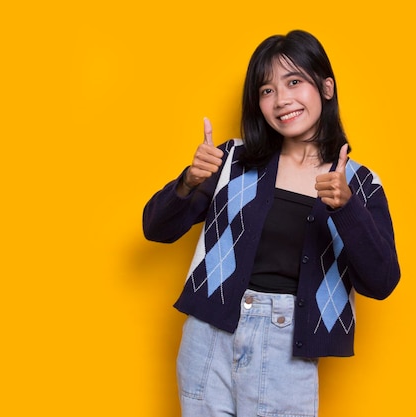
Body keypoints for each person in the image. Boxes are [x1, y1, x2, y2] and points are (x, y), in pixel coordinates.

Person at [143, 29, 400, 417]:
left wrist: (347, 209)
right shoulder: (232, 160)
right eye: (266, 90)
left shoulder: (358, 183)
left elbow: (382, 281)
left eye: (294, 82)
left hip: (288, 350)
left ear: (326, 87)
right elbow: (156, 229)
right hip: (208, 339)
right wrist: (189, 180)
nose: (281, 100)